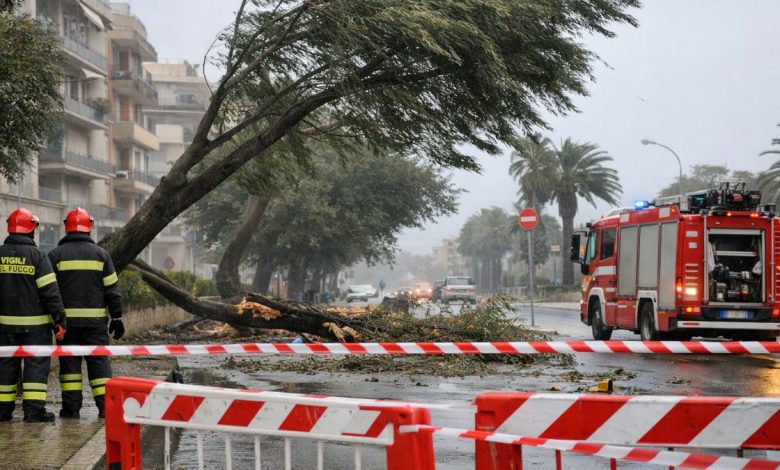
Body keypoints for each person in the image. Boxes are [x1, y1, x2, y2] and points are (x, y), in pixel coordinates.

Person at [48, 208, 123, 419]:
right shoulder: (102, 255)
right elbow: (112, 291)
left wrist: (54, 319)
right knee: (99, 364)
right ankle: (106, 408)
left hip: (66, 325)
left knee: (69, 366)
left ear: (67, 227)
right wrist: (117, 317)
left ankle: (71, 410)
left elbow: (48, 291)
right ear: (90, 226)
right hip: (95, 325)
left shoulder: (55, 255)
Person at [0, 208, 66, 422]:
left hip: (4, 328)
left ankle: (2, 411)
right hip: (36, 329)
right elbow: (50, 292)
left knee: (4, 368)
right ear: (31, 229)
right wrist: (59, 320)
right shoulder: (38, 256)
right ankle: (34, 412)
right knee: (35, 367)